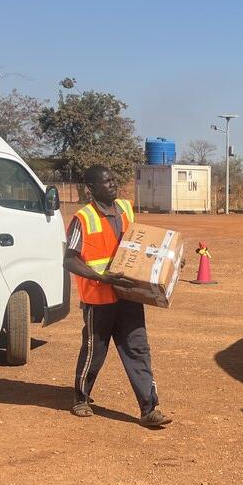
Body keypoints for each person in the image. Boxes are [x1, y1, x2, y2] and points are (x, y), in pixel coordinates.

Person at [64, 165, 172, 427]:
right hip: (98, 299)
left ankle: (149, 409)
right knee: (94, 351)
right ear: (91, 188)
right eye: (106, 181)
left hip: (129, 296)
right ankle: (81, 397)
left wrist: (168, 259)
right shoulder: (83, 218)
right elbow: (69, 260)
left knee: (138, 349)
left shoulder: (125, 208)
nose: (113, 184)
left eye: (113, 179)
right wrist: (102, 278)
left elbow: (140, 246)